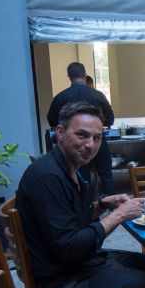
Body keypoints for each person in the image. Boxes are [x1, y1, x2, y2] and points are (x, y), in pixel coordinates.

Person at [17, 101, 145, 288]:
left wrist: (102, 204)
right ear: (60, 133)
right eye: (81, 135)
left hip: (79, 264)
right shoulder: (47, 177)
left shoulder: (70, 168)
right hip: (64, 286)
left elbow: (71, 218)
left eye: (97, 138)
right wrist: (118, 215)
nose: (90, 145)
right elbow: (69, 246)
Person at [47, 62, 115, 195]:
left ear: (69, 77)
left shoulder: (61, 97)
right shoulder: (97, 95)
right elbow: (110, 119)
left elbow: (52, 120)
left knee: (81, 178)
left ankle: (85, 207)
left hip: (74, 146)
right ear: (84, 75)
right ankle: (113, 206)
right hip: (98, 144)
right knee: (106, 175)